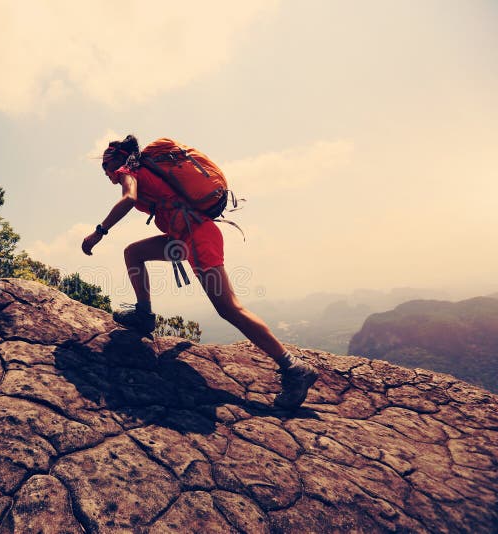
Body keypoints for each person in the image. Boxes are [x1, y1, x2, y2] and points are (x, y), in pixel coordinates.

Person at [81, 134, 319, 410]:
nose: (107, 176)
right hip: (186, 237)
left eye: (106, 169)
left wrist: (98, 233)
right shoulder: (147, 170)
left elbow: (128, 199)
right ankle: (144, 315)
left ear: (117, 162)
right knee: (134, 253)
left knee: (230, 309)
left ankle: (293, 367)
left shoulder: (129, 171)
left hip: (197, 238)